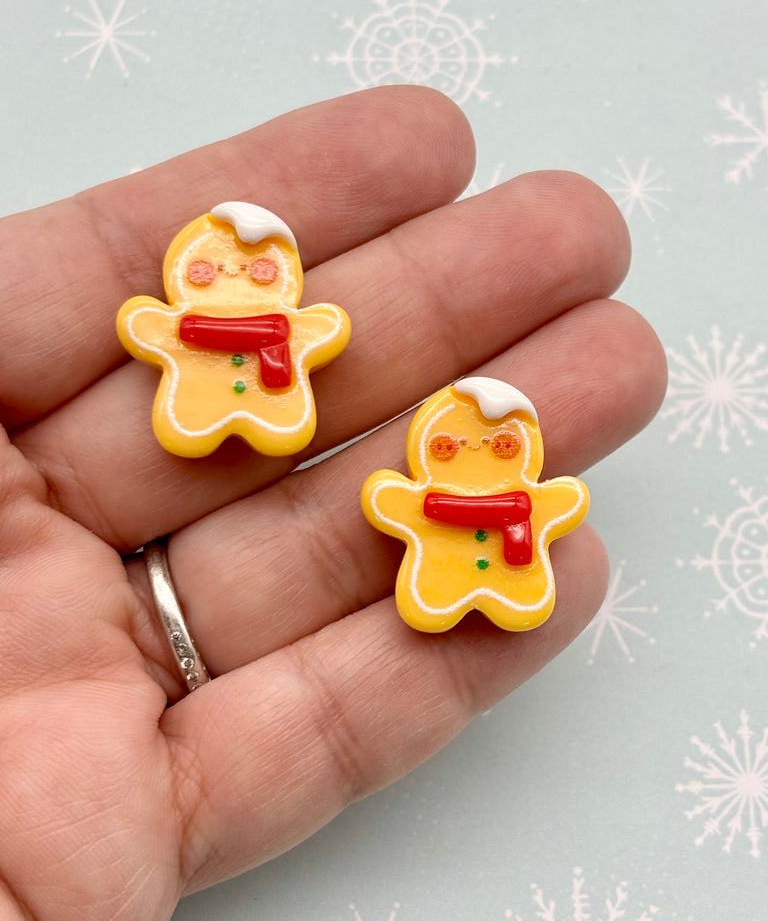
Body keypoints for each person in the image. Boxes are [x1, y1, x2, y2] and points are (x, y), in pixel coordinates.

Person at [0, 85, 667, 921]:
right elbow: (152, 325)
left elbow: (355, 392)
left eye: (255, 273)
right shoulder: (223, 329)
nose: (234, 281)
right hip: (202, 403)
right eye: (212, 271)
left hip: (469, 546)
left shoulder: (311, 335)